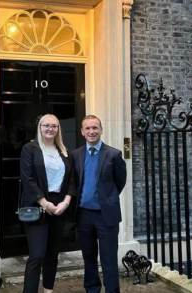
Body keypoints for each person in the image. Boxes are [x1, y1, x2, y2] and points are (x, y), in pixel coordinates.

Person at [20, 114, 75, 293]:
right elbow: (27, 179)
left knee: (52, 254)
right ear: (40, 127)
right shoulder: (30, 149)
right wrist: (45, 203)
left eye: (54, 126)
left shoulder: (64, 151)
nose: (50, 129)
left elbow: (72, 180)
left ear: (58, 129)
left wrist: (65, 202)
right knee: (37, 255)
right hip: (38, 206)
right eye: (46, 125)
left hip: (59, 207)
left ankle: (48, 290)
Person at [71, 115, 127, 293]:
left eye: (95, 128)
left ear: (101, 130)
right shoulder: (75, 155)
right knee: (88, 257)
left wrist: (107, 199)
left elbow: (120, 181)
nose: (91, 131)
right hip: (84, 215)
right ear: (82, 132)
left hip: (106, 215)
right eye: (87, 128)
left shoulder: (114, 154)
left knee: (108, 259)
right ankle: (92, 289)